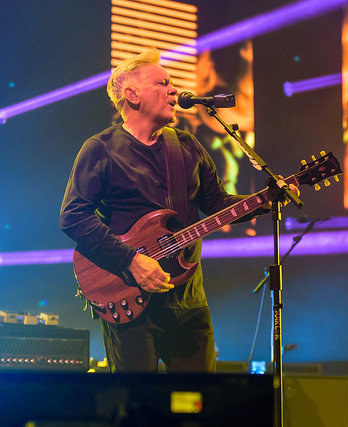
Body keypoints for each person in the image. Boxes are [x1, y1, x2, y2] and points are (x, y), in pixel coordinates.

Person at [60, 48, 296, 373]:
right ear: (132, 95)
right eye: (163, 83)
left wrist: (263, 201)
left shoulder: (187, 146)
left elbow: (217, 205)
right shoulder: (101, 149)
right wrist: (130, 260)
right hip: (128, 296)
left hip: (187, 300)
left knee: (198, 398)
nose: (174, 91)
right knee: (137, 400)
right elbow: (73, 216)